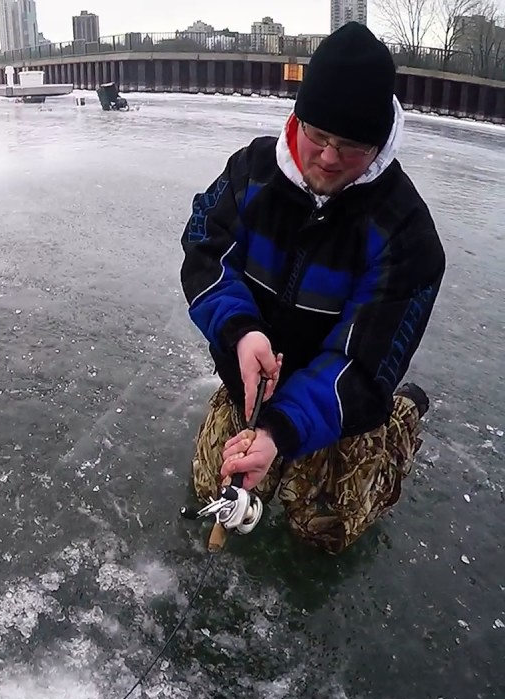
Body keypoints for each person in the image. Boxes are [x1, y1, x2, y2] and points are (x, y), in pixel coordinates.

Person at [179, 22, 446, 554]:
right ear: (295, 118)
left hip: (341, 401)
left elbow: (364, 365)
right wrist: (240, 331)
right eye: (317, 136)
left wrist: (277, 434)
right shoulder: (249, 172)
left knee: (322, 530)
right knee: (216, 491)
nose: (326, 157)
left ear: (377, 145)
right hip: (252, 379)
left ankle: (404, 417)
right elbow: (205, 249)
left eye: (349, 147)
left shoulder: (407, 236)